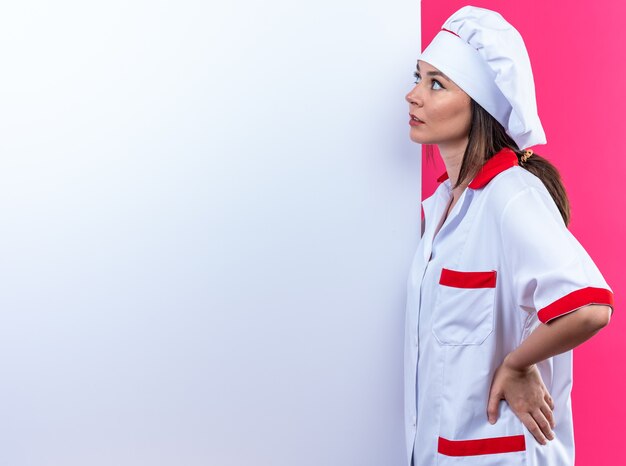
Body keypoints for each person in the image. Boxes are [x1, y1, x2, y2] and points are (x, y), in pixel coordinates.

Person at [403, 6, 614, 466]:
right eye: (417, 77)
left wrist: (517, 363)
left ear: (478, 103)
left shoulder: (511, 195)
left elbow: (590, 307)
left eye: (436, 83)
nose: (412, 96)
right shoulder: (443, 206)